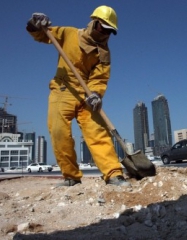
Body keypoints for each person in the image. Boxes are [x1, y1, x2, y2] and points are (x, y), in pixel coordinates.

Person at [26, 6, 131, 187]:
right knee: (59, 132)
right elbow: (43, 35)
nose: (105, 33)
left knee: (97, 132)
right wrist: (35, 24)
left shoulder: (104, 53)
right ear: (95, 22)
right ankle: (71, 177)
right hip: (63, 89)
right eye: (103, 28)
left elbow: (100, 77)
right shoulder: (70, 34)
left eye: (109, 31)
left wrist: (96, 94)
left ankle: (114, 174)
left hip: (87, 95)